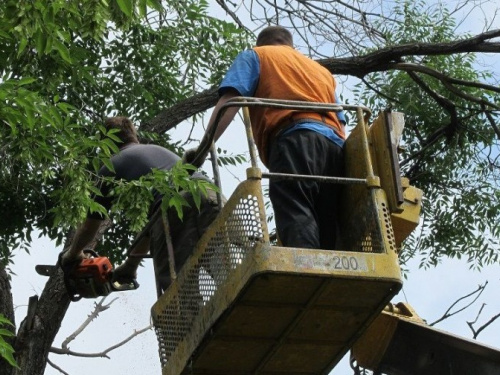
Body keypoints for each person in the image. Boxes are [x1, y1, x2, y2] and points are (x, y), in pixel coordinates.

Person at [196, 25, 346, 250]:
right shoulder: (321, 71)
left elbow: (230, 99)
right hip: (335, 146)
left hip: (295, 139)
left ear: (261, 43)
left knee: (294, 207)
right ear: (291, 46)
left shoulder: (257, 55)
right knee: (328, 220)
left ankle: (304, 275)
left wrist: (203, 149)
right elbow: (342, 119)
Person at [61, 116, 221, 294]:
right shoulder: (159, 151)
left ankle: (194, 321)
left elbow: (89, 228)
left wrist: (73, 254)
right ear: (134, 136)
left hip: (174, 209)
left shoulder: (109, 169)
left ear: (106, 143)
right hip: (211, 195)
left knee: (178, 295)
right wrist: (130, 265)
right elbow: (149, 228)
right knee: (227, 264)